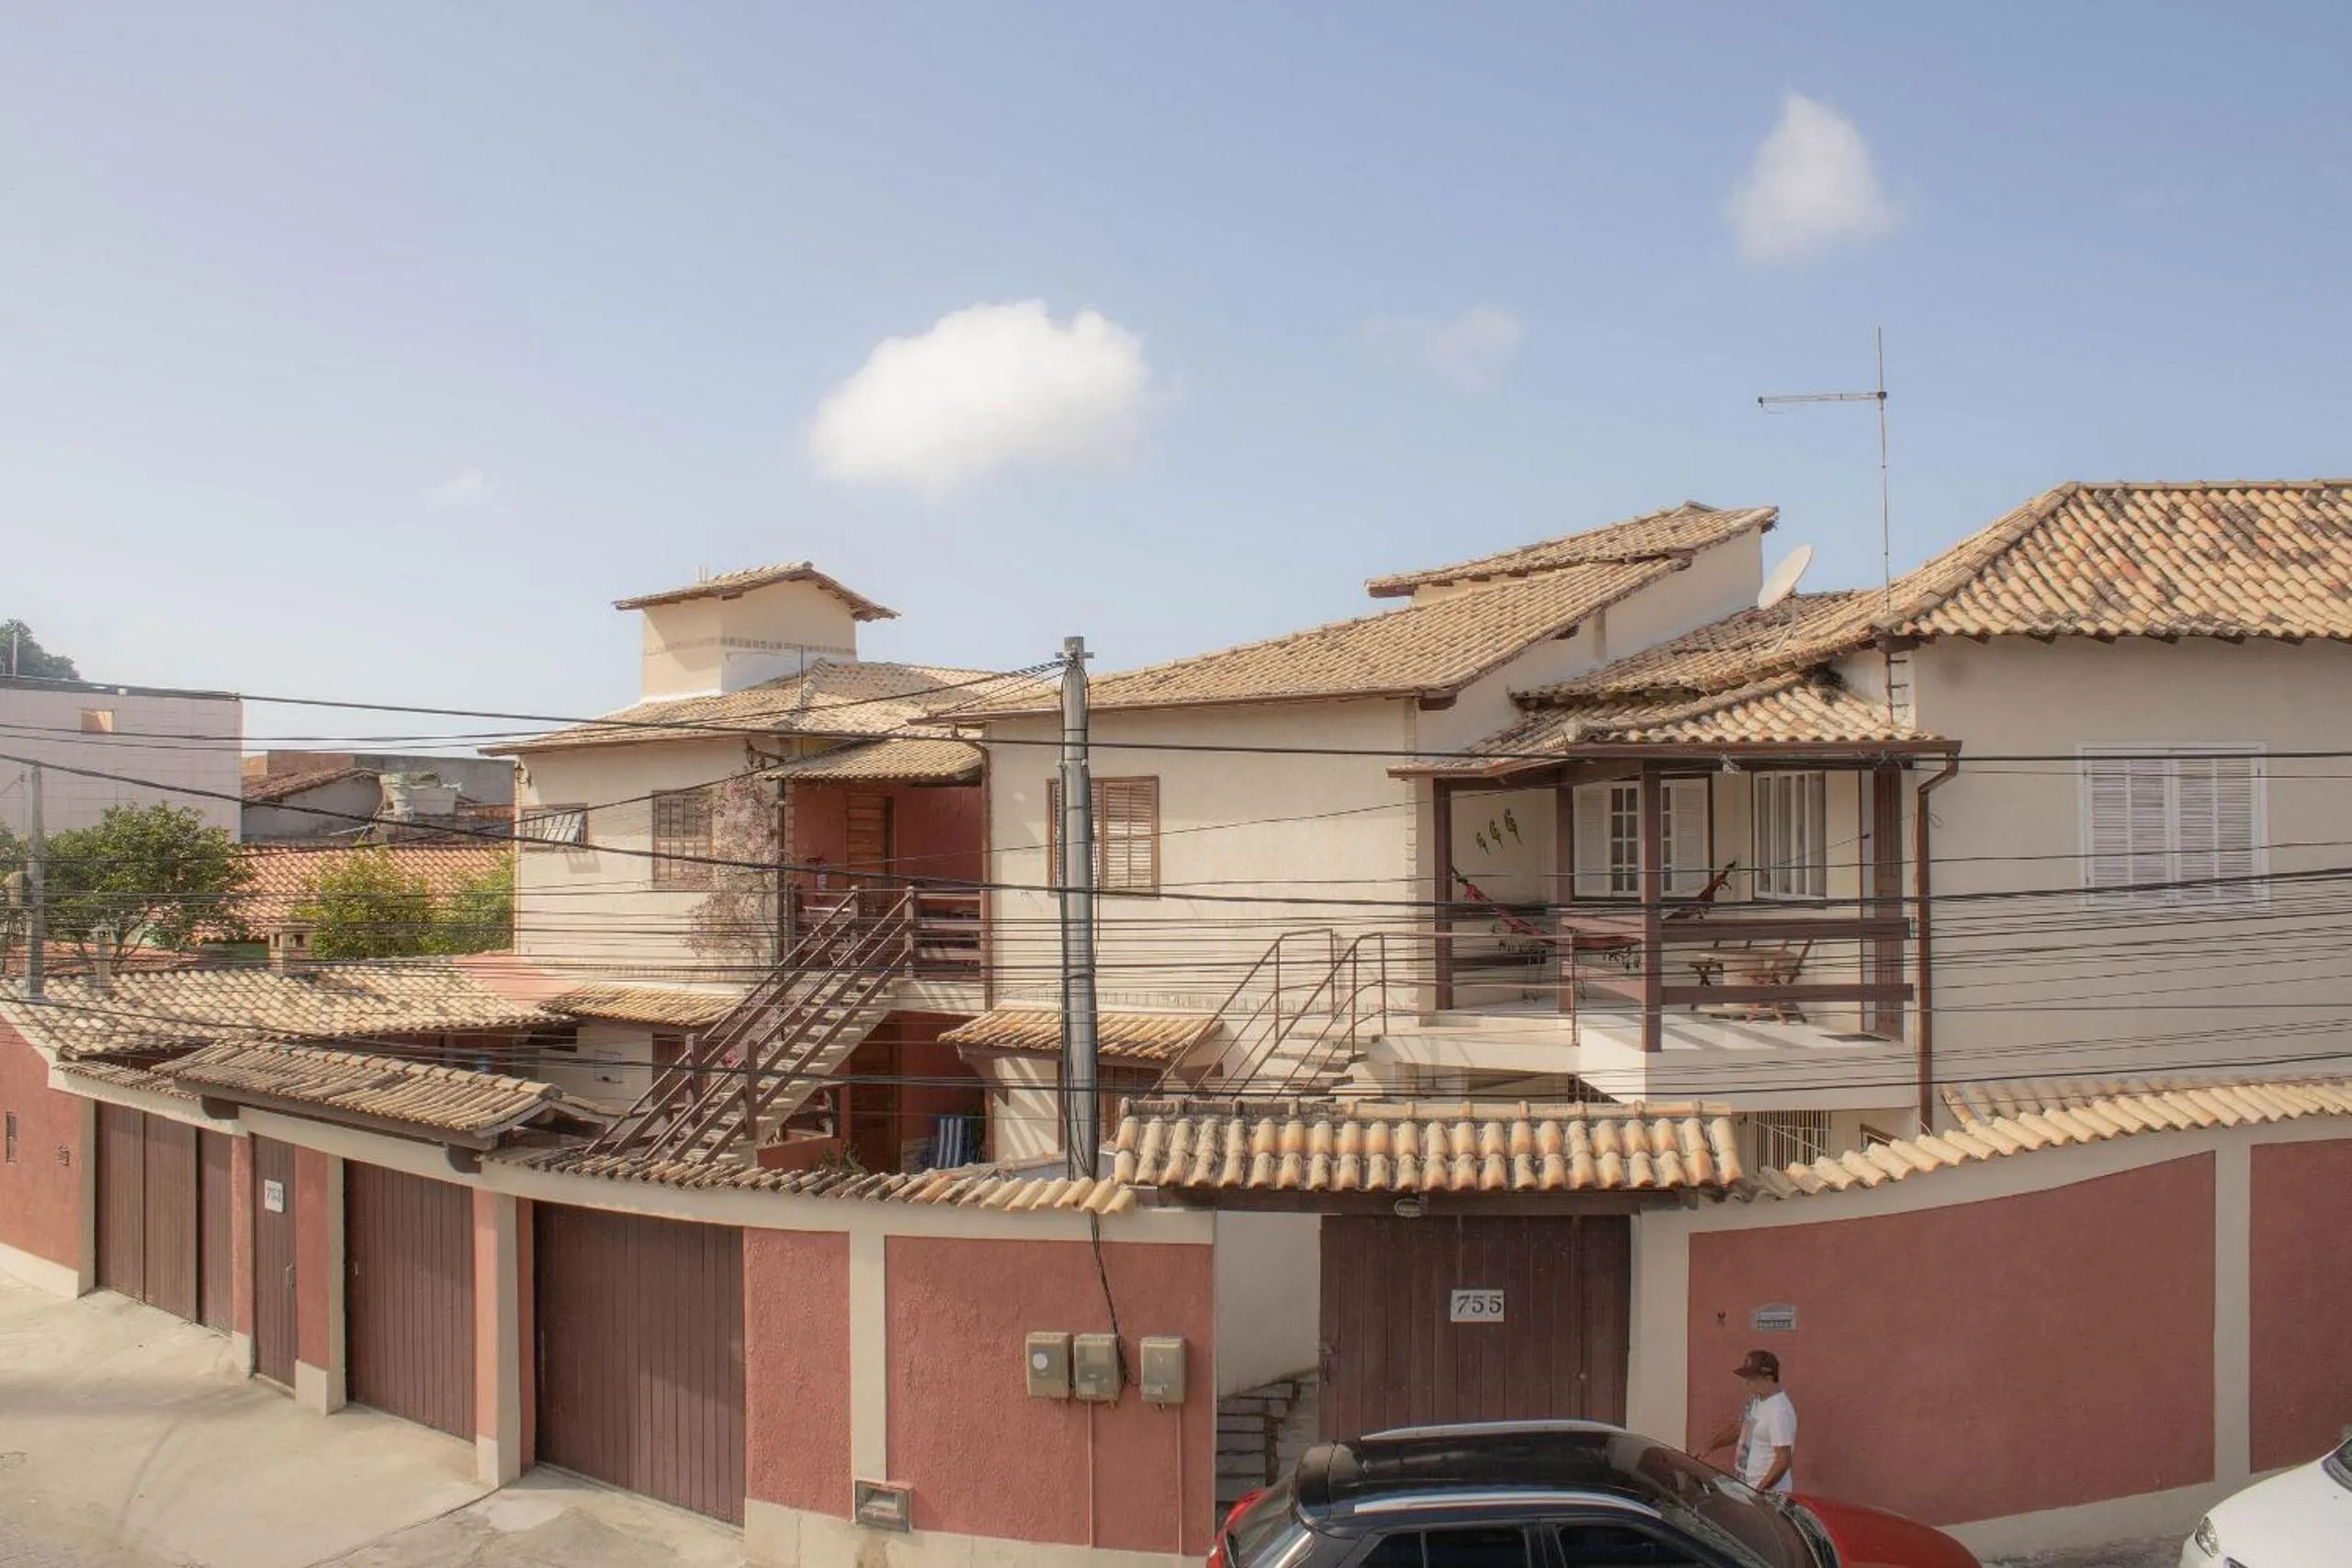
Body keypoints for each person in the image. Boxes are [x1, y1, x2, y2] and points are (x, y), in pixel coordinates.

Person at [1701, 1349, 1796, 1494]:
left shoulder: (1778, 1411)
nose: (1746, 1384)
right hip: (1746, 1487)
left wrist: (1759, 1492)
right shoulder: (1755, 1400)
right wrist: (1708, 1447)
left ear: (1768, 1376)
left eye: (1751, 1378)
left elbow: (1783, 1460)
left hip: (1767, 1495)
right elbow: (1739, 1428)